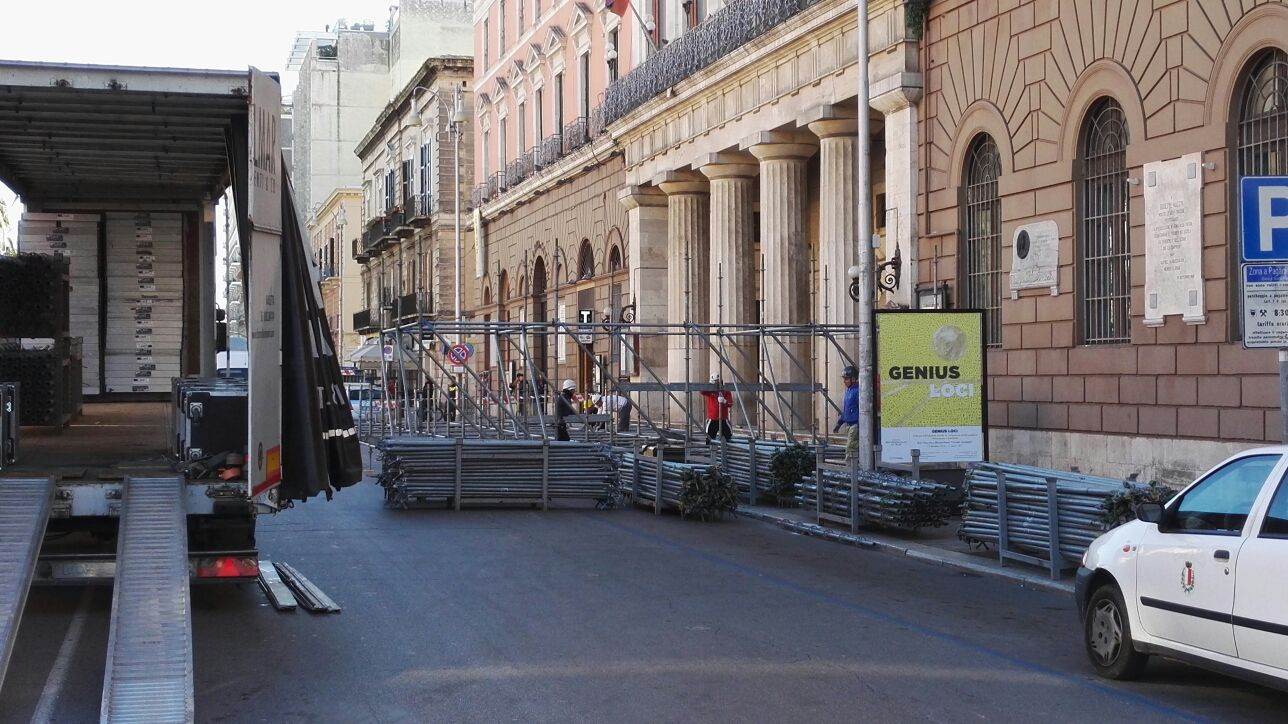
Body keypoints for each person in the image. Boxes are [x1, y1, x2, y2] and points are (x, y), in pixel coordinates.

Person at [833, 365, 861, 464]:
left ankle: (849, 470)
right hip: (849, 425)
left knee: (851, 448)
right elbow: (846, 410)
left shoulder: (858, 391)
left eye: (846, 379)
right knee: (850, 447)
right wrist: (839, 423)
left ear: (853, 379)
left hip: (856, 424)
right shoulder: (848, 391)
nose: (844, 381)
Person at [700, 372, 733, 443]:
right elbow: (702, 391)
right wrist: (710, 385)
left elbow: (730, 403)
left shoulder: (726, 391)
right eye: (715, 382)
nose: (717, 383)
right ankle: (710, 452)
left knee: (728, 437)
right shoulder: (710, 391)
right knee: (709, 438)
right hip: (713, 418)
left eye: (718, 381)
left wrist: (724, 401)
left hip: (723, 419)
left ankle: (725, 452)